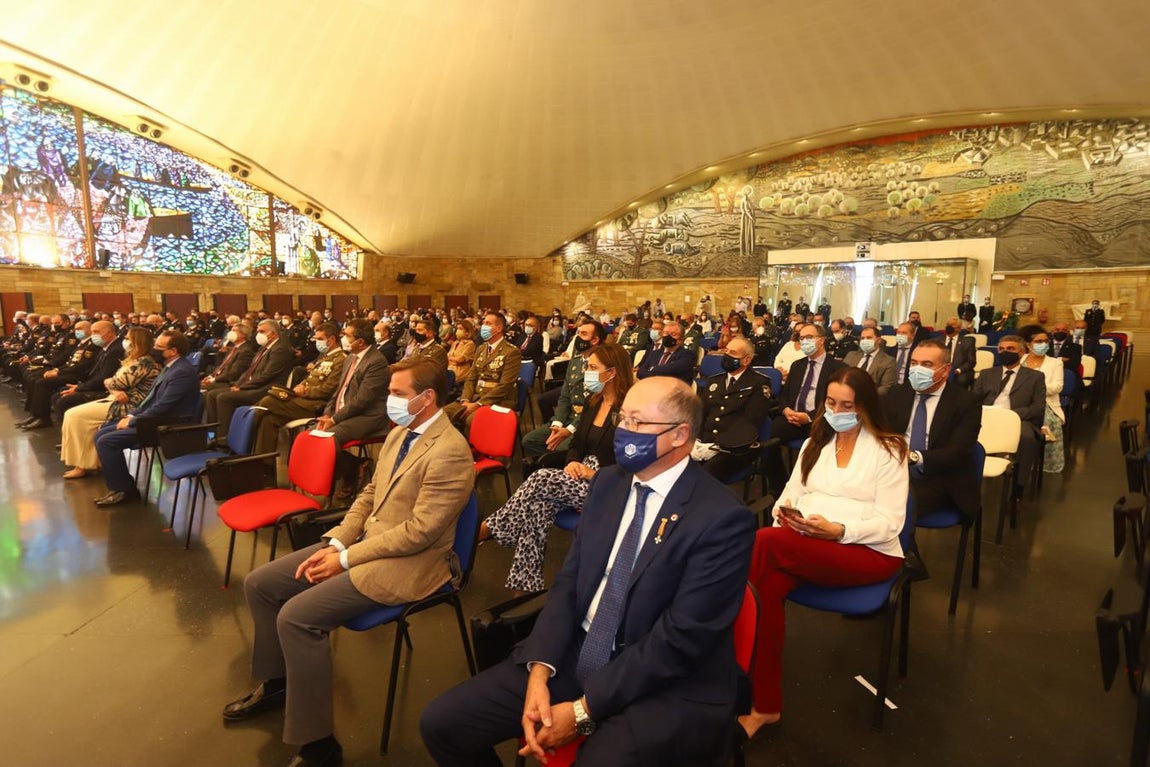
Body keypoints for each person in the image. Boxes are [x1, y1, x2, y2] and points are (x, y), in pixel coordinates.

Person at [421, 377, 755, 767]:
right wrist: (540, 668)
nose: (623, 430)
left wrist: (583, 709)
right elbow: (570, 583)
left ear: (680, 435)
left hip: (663, 681)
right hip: (579, 650)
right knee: (443, 725)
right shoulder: (609, 484)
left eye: (636, 422)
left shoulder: (722, 518)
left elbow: (680, 641)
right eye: (622, 418)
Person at [222, 358, 474, 767]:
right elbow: (370, 494)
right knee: (261, 584)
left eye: (397, 394)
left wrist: (344, 557)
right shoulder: (400, 433)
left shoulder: (450, 451)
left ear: (427, 398)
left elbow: (419, 533)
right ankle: (279, 683)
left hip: (411, 563)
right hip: (370, 544)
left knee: (297, 618)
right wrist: (338, 539)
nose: (389, 400)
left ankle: (319, 745)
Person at [741, 366, 908, 738]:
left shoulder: (890, 449)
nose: (836, 411)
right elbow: (789, 495)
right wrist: (786, 516)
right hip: (806, 546)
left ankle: (724, 661)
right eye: (830, 402)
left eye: (847, 405)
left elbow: (890, 523)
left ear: (865, 407)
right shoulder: (815, 443)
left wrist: (839, 530)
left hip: (869, 552)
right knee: (766, 587)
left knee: (763, 544)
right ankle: (764, 705)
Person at [480, 345, 633, 592]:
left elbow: (632, 465)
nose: (587, 372)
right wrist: (572, 461)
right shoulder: (593, 402)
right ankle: (526, 584)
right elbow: (576, 445)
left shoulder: (629, 412)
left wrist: (594, 474)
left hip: (607, 485)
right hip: (578, 475)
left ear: (612, 372)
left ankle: (491, 528)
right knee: (538, 506)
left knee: (541, 477)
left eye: (593, 367)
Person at [92, 330, 200, 506]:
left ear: (173, 351)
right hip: (156, 420)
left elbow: (163, 406)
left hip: (170, 426)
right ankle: (122, 486)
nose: (154, 349)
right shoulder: (169, 366)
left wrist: (133, 421)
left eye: (159, 347)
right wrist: (131, 415)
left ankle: (123, 490)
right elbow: (149, 400)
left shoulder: (182, 372)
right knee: (101, 433)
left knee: (106, 441)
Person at [882, 338, 983, 526]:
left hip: (941, 478)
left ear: (945, 370)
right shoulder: (898, 393)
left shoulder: (966, 402)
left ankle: (898, 544)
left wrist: (914, 457)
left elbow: (959, 452)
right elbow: (882, 433)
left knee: (894, 506)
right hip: (894, 472)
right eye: (914, 363)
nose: (917, 369)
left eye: (926, 364)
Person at [60, 328, 160, 479]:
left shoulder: (144, 362)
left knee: (75, 415)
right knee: (72, 413)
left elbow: (113, 382)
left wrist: (111, 386)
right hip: (117, 398)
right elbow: (113, 383)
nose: (125, 341)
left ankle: (82, 465)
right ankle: (87, 462)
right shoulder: (133, 360)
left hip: (132, 405)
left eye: (128, 338)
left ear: (137, 342)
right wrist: (113, 387)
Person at [763, 323, 846, 495]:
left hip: (821, 420)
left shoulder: (838, 368)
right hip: (791, 418)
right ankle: (780, 487)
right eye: (801, 338)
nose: (804, 341)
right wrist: (786, 410)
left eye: (809, 337)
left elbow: (836, 403)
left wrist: (808, 417)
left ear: (821, 340)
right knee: (766, 436)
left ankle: (813, 490)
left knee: (821, 447)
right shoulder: (797, 365)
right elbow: (784, 395)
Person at [971, 335, 1046, 507]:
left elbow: (1037, 408)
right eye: (1002, 349)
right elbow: (974, 400)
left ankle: (1018, 488)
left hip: (1018, 419)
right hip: (988, 416)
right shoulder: (987, 373)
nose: (1005, 352)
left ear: (1021, 352)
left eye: (1010, 349)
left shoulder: (1035, 377)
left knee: (1027, 439)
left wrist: (1010, 415)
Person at [251, 323, 347, 454]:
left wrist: (305, 391)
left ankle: (244, 433)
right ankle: (263, 462)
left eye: (320, 339)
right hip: (304, 401)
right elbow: (310, 379)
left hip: (317, 405)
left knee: (268, 401)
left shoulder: (340, 359)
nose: (317, 342)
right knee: (268, 420)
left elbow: (329, 389)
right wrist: (300, 385)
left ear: (331, 339)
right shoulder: (325, 357)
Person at [693, 337, 772, 483]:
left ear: (746, 360)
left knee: (703, 477)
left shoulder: (759, 383)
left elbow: (750, 422)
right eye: (726, 351)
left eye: (733, 353)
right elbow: (701, 413)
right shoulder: (714, 381)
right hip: (704, 443)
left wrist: (718, 446)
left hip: (735, 448)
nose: (727, 356)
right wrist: (695, 440)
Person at [523, 321, 605, 458]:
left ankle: (558, 464)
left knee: (559, 450)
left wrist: (569, 430)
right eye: (578, 333)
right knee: (530, 441)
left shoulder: (603, 364)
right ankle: (550, 464)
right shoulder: (576, 361)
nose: (578, 337)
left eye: (583, 334)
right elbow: (565, 397)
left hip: (586, 422)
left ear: (595, 340)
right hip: (568, 418)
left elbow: (597, 403)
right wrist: (557, 423)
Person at [203, 319, 295, 440]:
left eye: (262, 331)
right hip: (253, 385)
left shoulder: (280, 349)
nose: (258, 334)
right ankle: (212, 433)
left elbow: (267, 375)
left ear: (273, 334)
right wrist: (238, 384)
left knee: (224, 398)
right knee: (212, 394)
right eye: (258, 331)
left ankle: (224, 438)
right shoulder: (264, 348)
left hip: (266, 389)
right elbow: (249, 370)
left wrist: (242, 387)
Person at [444, 312, 523, 430]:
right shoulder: (481, 348)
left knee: (472, 421)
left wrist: (478, 404)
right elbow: (471, 379)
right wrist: (466, 399)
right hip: (475, 397)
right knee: (442, 415)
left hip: (498, 401)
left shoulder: (511, 352)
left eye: (488, 323)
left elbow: (505, 385)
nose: (483, 326)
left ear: (499, 328)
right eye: (483, 323)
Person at [50, 320, 126, 424]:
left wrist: (80, 388)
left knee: (63, 400)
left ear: (109, 334)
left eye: (96, 332)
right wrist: (79, 386)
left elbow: (104, 377)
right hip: (93, 384)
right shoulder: (106, 347)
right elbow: (93, 371)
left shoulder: (115, 350)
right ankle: (66, 429)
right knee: (57, 395)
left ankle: (70, 429)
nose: (93, 335)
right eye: (92, 332)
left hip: (103, 389)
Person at [1020, 328, 1065, 474]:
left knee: (1048, 421)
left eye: (1046, 341)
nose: (1043, 344)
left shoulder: (1055, 363)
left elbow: (1057, 387)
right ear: (1028, 344)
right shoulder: (1020, 359)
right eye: (1039, 341)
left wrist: (1034, 388)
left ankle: (1044, 463)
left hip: (1046, 403)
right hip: (1019, 401)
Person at [843, 327, 896, 396]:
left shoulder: (888, 361)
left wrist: (864, 395)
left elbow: (886, 387)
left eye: (869, 338)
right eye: (862, 338)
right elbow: (842, 376)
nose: (865, 341)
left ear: (879, 340)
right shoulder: (851, 355)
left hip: (870, 398)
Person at [942, 316, 977, 388]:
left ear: (959, 329)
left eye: (952, 325)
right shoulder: (938, 340)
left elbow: (971, 362)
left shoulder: (968, 341)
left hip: (959, 370)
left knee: (961, 380)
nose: (949, 327)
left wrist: (958, 370)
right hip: (941, 369)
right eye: (948, 324)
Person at [446, 319, 476, 385]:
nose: (458, 331)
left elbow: (460, 359)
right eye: (457, 328)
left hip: (460, 374)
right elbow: (447, 357)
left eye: (460, 329)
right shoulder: (455, 343)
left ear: (467, 332)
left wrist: (452, 359)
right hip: (450, 370)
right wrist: (453, 360)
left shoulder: (470, 344)